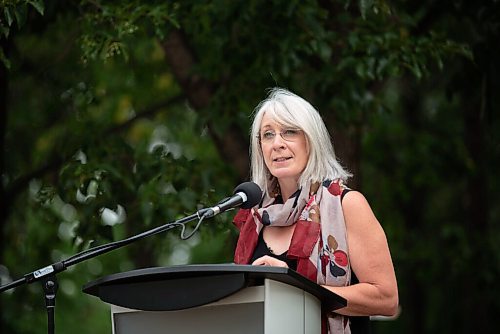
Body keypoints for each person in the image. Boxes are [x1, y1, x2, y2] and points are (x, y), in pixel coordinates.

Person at [232, 88, 398, 334]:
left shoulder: (346, 205)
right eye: (268, 135)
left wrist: (294, 285)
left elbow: (386, 299)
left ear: (311, 140)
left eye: (289, 132)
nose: (277, 144)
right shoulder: (257, 217)